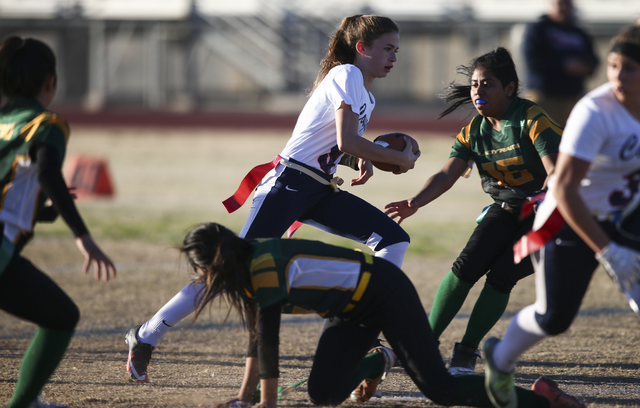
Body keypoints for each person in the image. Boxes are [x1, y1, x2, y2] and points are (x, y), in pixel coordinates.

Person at [125, 14, 420, 383]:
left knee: (393, 238)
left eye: (397, 50)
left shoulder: (366, 94)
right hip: (289, 185)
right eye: (387, 49)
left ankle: (367, 323)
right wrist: (396, 158)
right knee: (228, 269)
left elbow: (330, 143)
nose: (394, 57)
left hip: (319, 189)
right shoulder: (346, 75)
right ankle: (146, 334)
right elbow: (344, 139)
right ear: (361, 48)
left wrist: (360, 158)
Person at [179, 222, 581, 408]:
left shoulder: (261, 265)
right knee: (323, 395)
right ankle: (378, 358)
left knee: (441, 391)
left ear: (214, 264)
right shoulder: (248, 271)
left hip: (386, 293)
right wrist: (245, 399)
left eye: (200, 270)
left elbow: (269, 341)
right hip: (351, 312)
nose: (201, 278)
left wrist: (265, 406)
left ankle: (541, 400)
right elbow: (256, 337)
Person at [483, 23, 640, 408]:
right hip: (569, 217)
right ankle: (500, 360)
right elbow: (566, 190)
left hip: (624, 215)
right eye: (614, 64)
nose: (619, 75)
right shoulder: (596, 112)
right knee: (554, 317)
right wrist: (609, 252)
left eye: (631, 67)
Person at [385, 48, 562, 375]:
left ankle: (466, 352)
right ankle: (424, 342)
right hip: (507, 208)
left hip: (551, 214)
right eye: (474, 84)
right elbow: (446, 174)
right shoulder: (473, 131)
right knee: (466, 267)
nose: (478, 90)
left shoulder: (530, 118)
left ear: (509, 89)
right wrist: (415, 203)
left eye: (487, 84)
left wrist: (546, 198)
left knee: (502, 276)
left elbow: (557, 171)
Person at [0, 37, 116, 408]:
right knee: (61, 316)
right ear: (50, 82)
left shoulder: (2, 121)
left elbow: (13, 185)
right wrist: (83, 236)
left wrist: (46, 212)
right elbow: (49, 172)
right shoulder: (47, 124)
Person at [522, 0, 599, 127]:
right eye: (559, 2)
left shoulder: (579, 33)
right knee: (541, 142)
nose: (563, 7)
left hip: (572, 98)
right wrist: (564, 65)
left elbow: (594, 61)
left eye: (567, 3)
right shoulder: (538, 29)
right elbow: (533, 61)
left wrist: (585, 67)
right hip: (544, 97)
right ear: (550, 3)